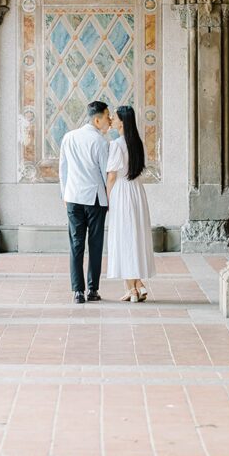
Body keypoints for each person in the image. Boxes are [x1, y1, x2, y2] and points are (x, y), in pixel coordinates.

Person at [59, 100, 111, 304]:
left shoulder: (69, 137)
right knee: (95, 244)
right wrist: (110, 200)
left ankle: (77, 292)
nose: (109, 121)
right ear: (97, 120)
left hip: (72, 197)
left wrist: (64, 194)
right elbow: (106, 174)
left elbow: (62, 169)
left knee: (76, 244)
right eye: (107, 117)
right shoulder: (100, 142)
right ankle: (92, 289)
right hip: (95, 199)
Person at [105, 105, 155, 302]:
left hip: (122, 191)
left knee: (123, 238)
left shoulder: (116, 144)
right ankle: (138, 284)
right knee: (135, 237)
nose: (112, 120)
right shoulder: (138, 143)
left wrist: (108, 200)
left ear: (122, 122)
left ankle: (132, 289)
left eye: (115, 118)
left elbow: (111, 176)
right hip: (137, 191)